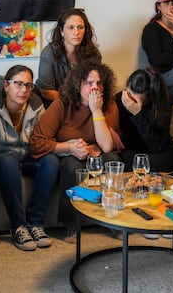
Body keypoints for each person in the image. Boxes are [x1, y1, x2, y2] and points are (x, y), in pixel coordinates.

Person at [30, 62, 123, 243]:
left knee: (112, 160)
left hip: (96, 156)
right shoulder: (61, 105)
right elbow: (37, 142)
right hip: (68, 155)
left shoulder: (108, 106)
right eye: (89, 83)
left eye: (99, 83)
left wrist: (96, 111)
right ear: (78, 84)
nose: (95, 87)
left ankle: (112, 218)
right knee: (72, 166)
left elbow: (107, 147)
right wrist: (69, 147)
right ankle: (71, 224)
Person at [0, 66, 59, 251]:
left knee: (51, 161)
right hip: (1, 159)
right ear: (6, 85)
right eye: (18, 84)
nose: (24, 90)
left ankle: (36, 223)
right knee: (8, 162)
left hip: (28, 156)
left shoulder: (38, 109)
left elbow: (42, 140)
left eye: (28, 85)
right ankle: (18, 227)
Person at [115, 68, 173, 172]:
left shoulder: (159, 106)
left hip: (156, 152)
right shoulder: (117, 101)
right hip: (132, 153)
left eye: (136, 101)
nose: (130, 102)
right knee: (124, 161)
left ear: (149, 98)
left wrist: (138, 115)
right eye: (129, 95)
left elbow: (157, 146)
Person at [36, 7, 102, 106]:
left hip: (84, 103)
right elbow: (46, 91)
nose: (76, 32)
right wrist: (75, 102)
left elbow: (94, 85)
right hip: (55, 104)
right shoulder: (48, 53)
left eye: (80, 27)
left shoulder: (93, 54)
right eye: (71, 27)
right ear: (62, 31)